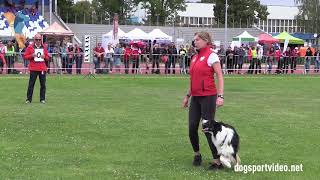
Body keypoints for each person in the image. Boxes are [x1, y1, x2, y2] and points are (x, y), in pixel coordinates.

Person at [182, 31, 224, 170]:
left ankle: (217, 161)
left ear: (206, 41)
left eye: (198, 39)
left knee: (208, 129)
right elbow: (193, 80)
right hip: (196, 97)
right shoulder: (194, 57)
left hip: (208, 97)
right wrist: (188, 96)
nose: (195, 42)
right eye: (194, 40)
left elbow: (219, 75)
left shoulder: (211, 55)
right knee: (192, 128)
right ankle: (197, 154)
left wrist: (220, 96)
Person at [23, 34, 50, 104]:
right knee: (31, 84)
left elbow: (48, 58)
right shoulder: (30, 47)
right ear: (34, 39)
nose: (38, 41)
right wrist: (31, 56)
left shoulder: (44, 47)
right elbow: (25, 56)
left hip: (42, 68)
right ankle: (28, 99)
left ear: (41, 40)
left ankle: (42, 99)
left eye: (39, 39)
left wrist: (44, 57)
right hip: (33, 68)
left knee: (43, 85)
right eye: (37, 39)